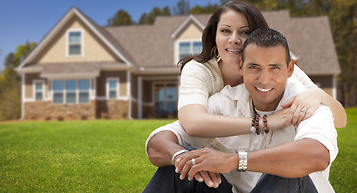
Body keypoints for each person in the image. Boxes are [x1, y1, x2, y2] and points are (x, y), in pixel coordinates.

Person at [144, 28, 338, 192]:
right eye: (254, 67)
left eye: (274, 68)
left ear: (289, 69)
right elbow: (158, 143)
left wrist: (235, 160)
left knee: (289, 172)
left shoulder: (308, 104)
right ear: (241, 67)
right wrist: (180, 157)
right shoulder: (224, 102)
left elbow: (317, 155)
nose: (264, 79)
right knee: (179, 169)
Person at [176, 1, 346, 140]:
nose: (234, 39)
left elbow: (340, 120)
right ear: (214, 35)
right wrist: (265, 122)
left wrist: (318, 95)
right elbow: (192, 122)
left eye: (244, 32)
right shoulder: (200, 71)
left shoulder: (278, 68)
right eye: (225, 31)